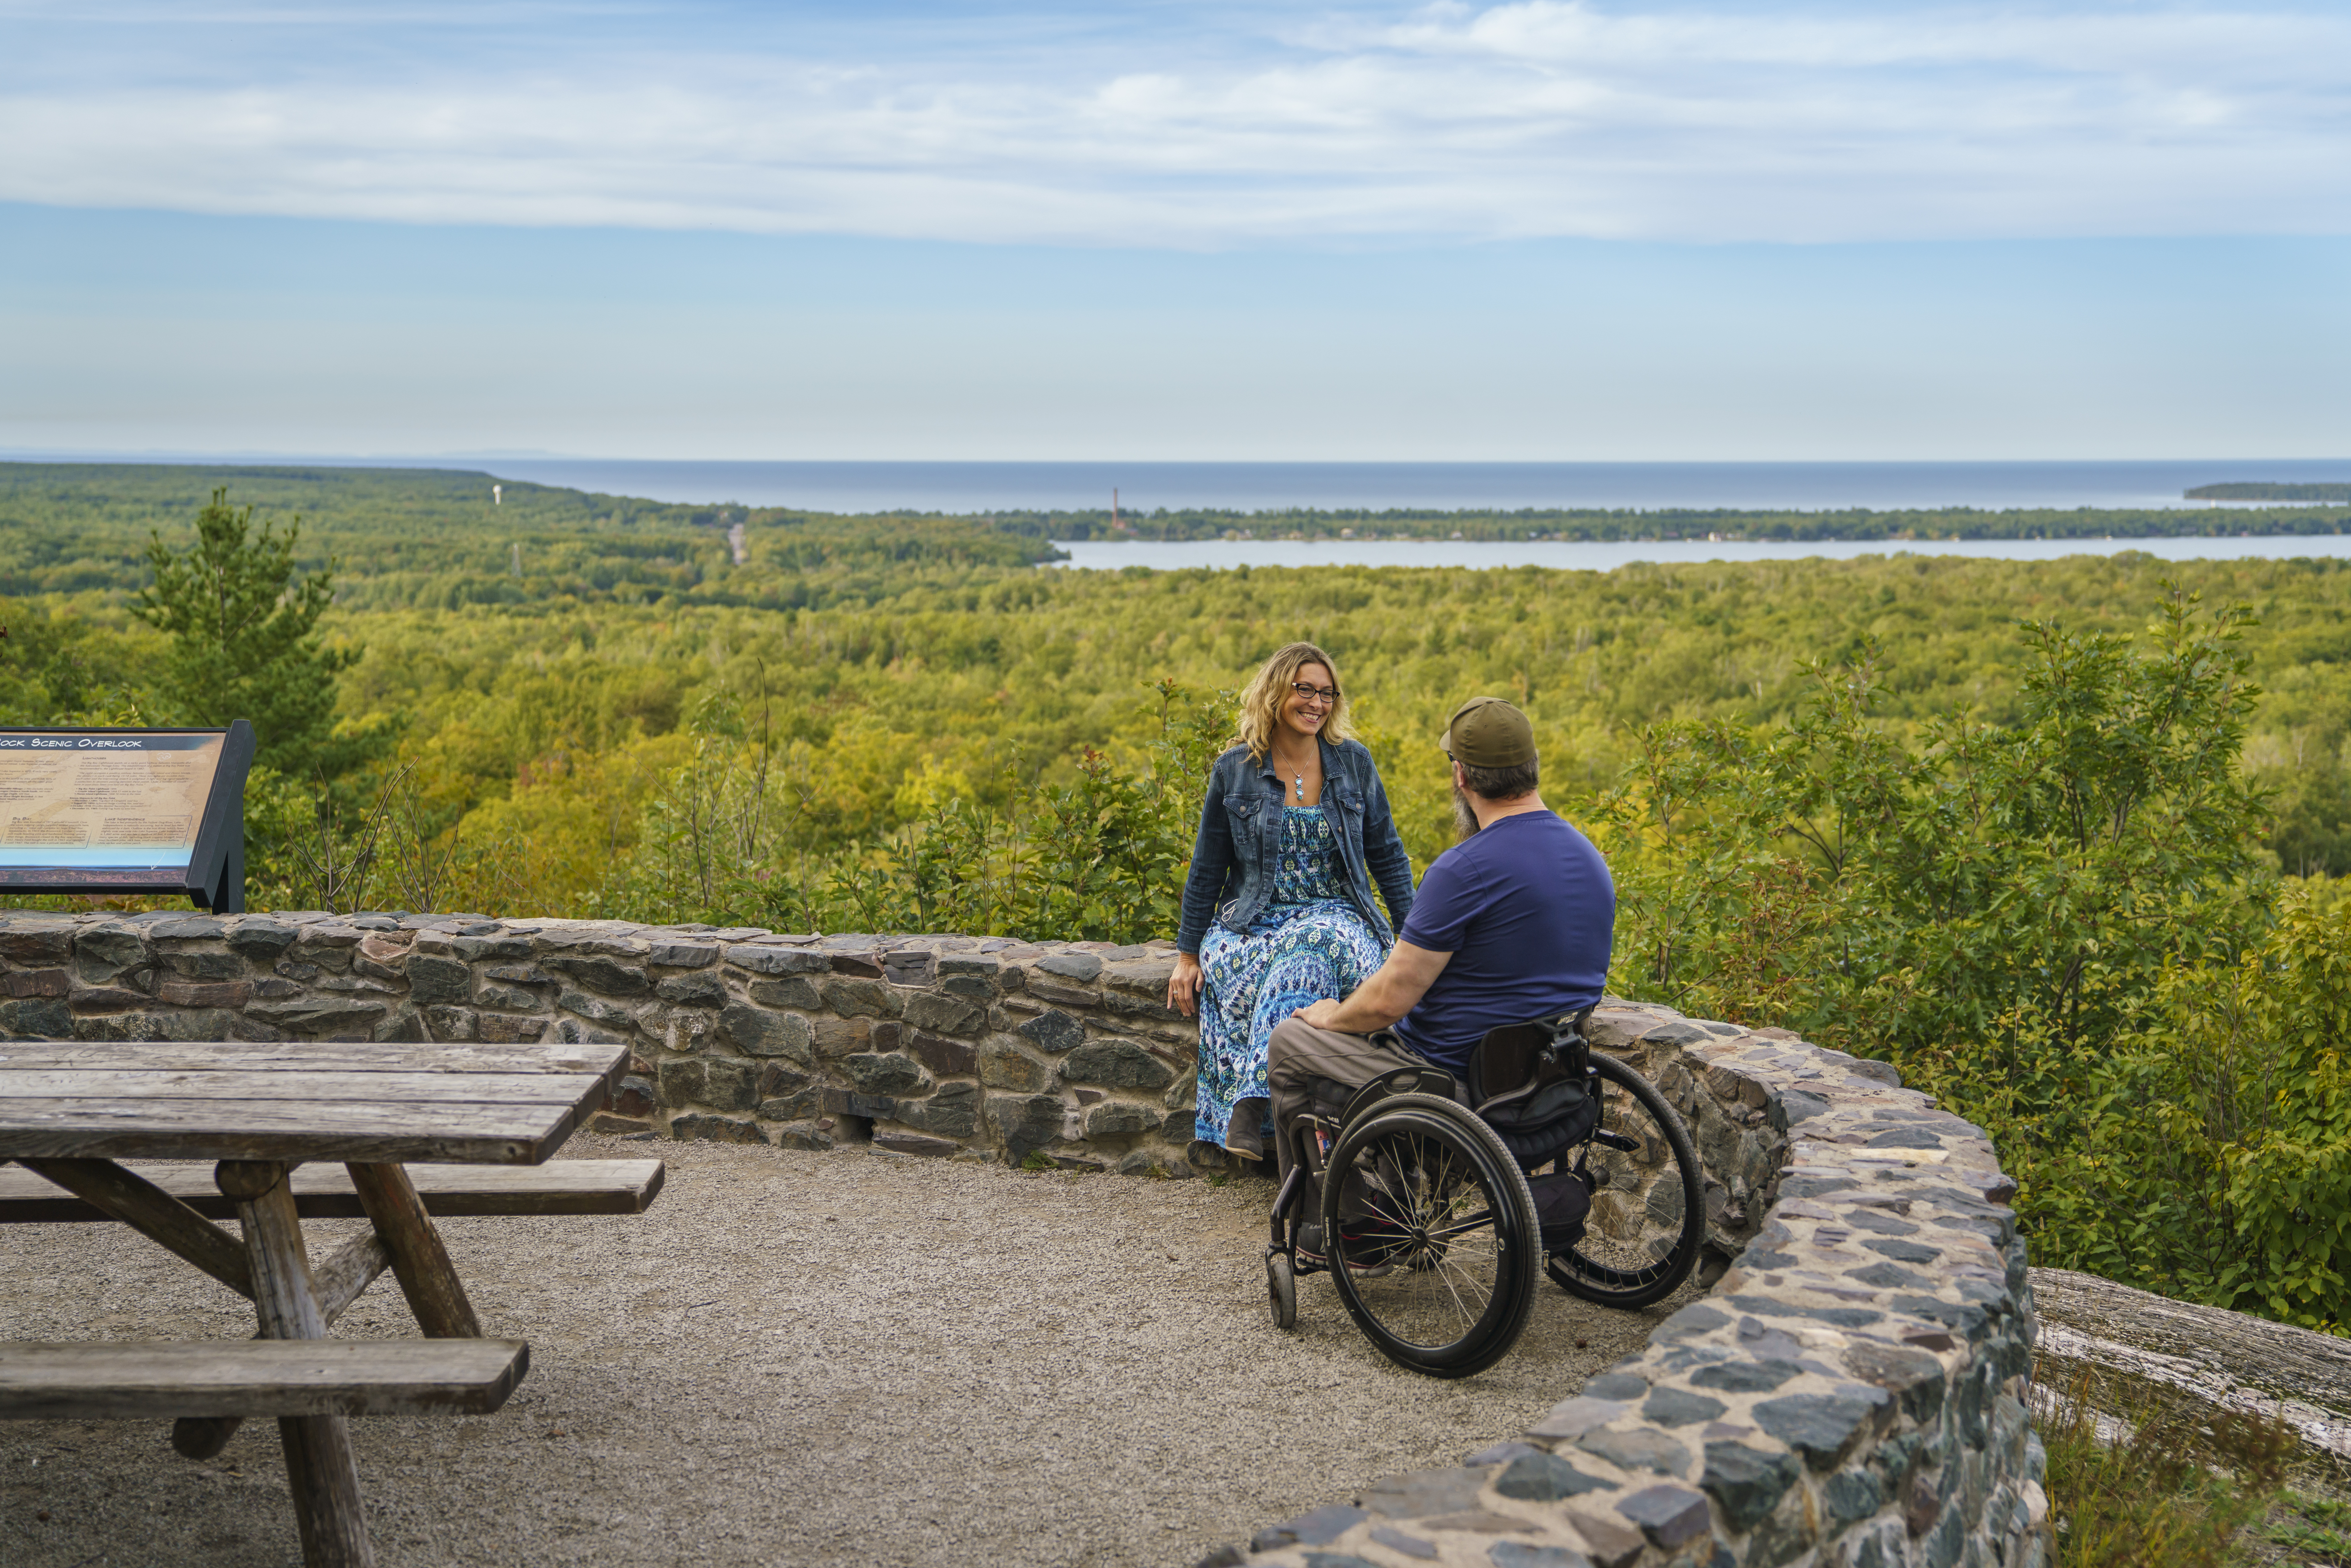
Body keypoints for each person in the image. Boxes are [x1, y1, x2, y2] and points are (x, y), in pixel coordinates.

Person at [1266, 695, 1614, 1254]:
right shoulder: (1588, 857)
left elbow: (1388, 1001)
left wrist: (1333, 1015)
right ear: (1532, 767)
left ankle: (1342, 1226)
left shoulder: (1466, 867)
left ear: (1461, 775)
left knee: (1289, 1042)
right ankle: (1393, 1199)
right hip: (1552, 1079)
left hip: (1457, 1085)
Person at [1165, 642, 1417, 1163]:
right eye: (1305, 689)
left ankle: (1257, 1106)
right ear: (1277, 690)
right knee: (1301, 963)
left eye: (1327, 693)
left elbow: (1388, 855)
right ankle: (1303, 1135)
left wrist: (1413, 941)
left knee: (1317, 941)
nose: (1317, 703)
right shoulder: (1235, 769)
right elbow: (1208, 867)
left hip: (1341, 918)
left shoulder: (1353, 762)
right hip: (1254, 924)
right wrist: (1188, 954)